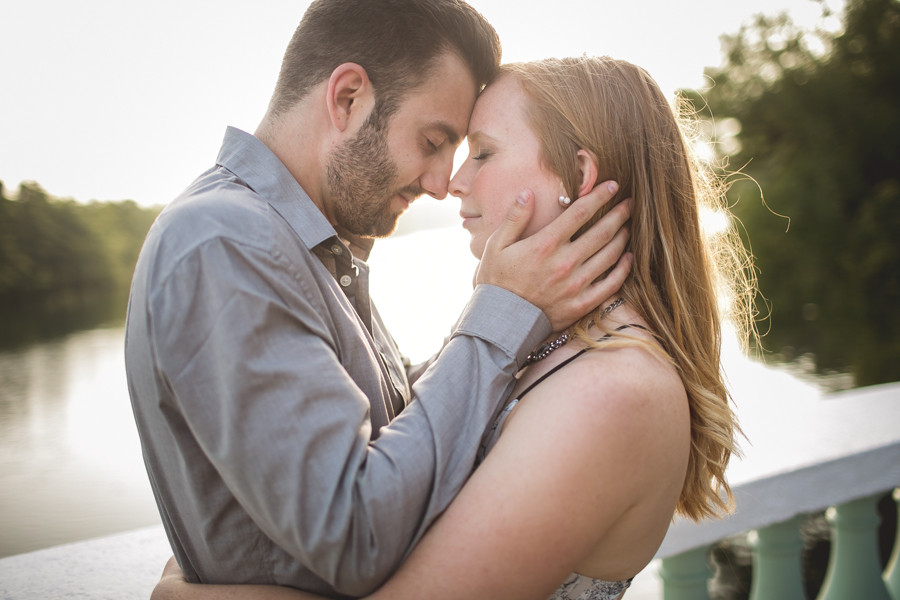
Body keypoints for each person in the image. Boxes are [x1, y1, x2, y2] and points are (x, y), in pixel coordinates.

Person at [151, 56, 754, 600]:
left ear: (578, 175)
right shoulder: (557, 342)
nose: (452, 183)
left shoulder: (615, 392)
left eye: (483, 153)